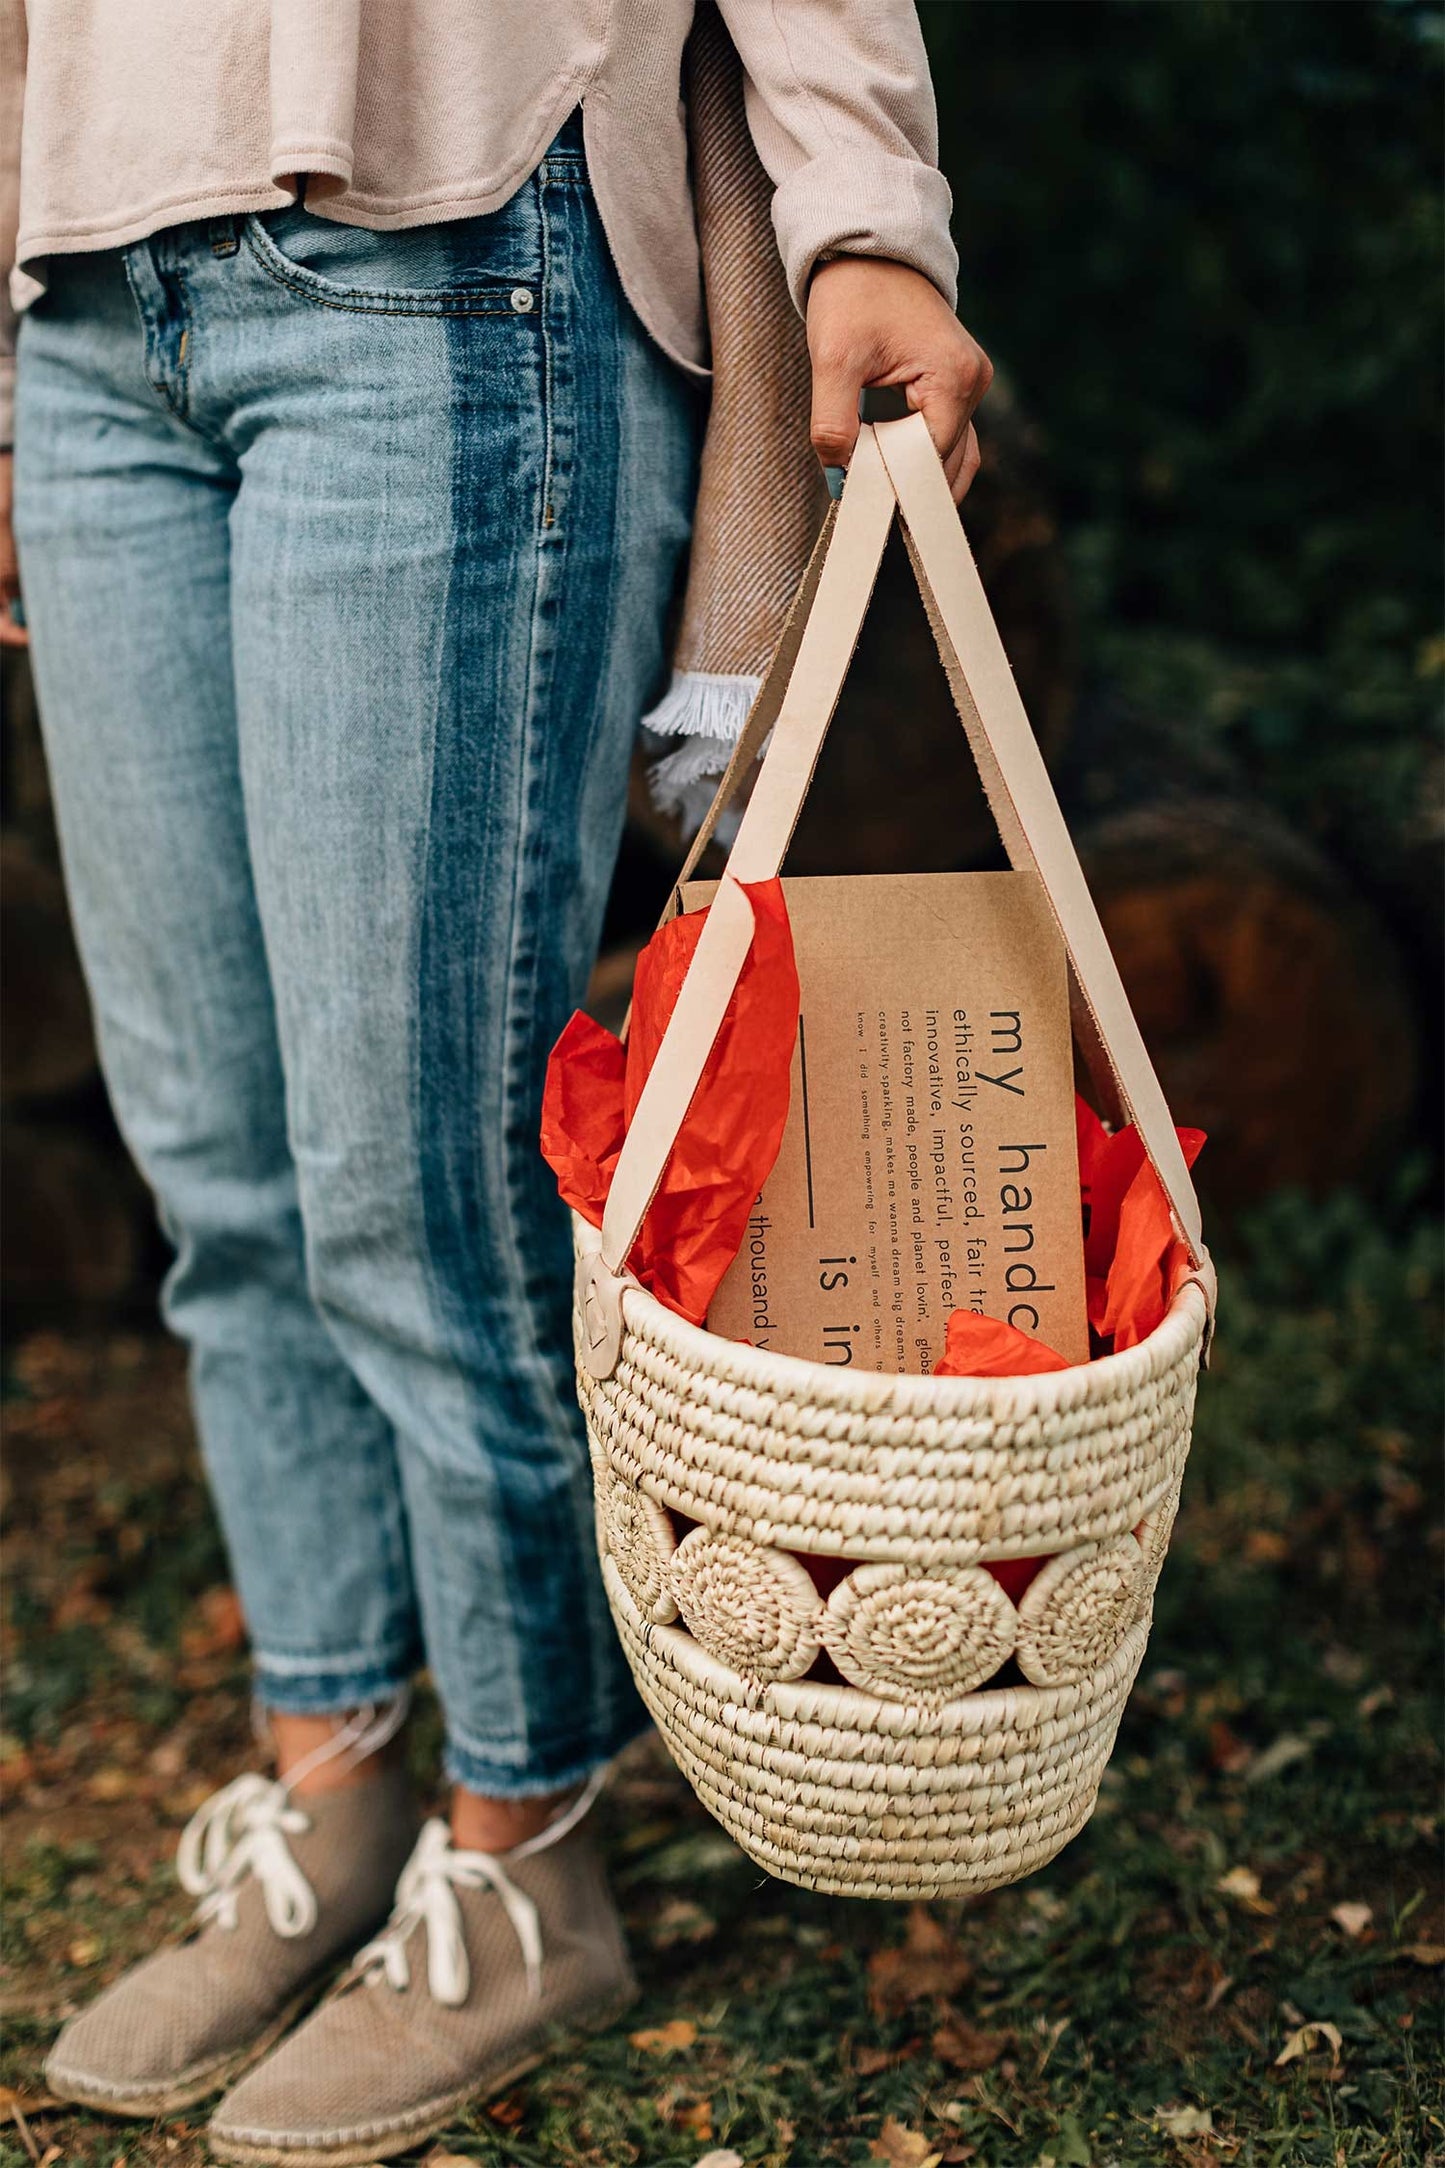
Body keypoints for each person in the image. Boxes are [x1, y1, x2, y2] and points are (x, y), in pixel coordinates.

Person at [1, 3, 992, 2157]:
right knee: (223, 1175)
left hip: (450, 246)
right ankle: (336, 1781)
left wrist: (864, 214)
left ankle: (528, 1842)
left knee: (412, 1179)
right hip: (78, 292)